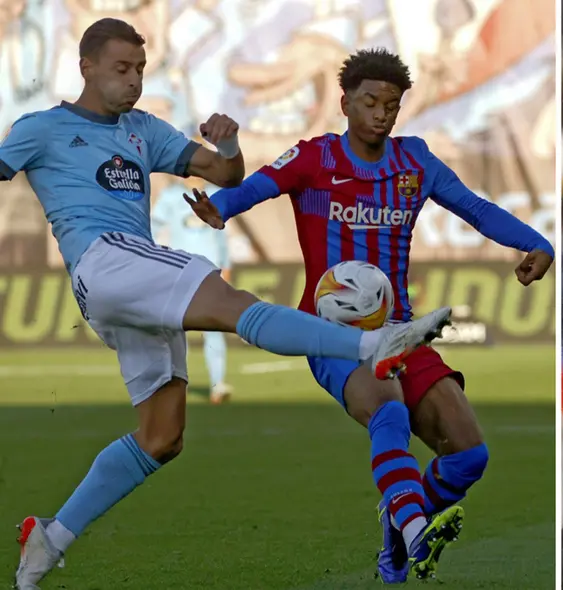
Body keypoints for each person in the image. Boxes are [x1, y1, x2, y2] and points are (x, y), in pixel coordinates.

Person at [2, 19, 452, 590]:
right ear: (86, 66)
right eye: (121, 69)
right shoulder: (41, 129)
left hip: (123, 282)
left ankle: (51, 539)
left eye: (140, 69)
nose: (134, 81)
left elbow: (224, 172)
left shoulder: (144, 129)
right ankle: (373, 341)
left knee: (163, 437)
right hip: (105, 258)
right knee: (233, 303)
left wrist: (229, 143)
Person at [185, 48, 555, 582]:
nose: (381, 113)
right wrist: (223, 208)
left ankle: (398, 524)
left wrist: (536, 242)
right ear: (345, 103)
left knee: (469, 457)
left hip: (402, 333)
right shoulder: (315, 159)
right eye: (370, 102)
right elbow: (261, 184)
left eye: (392, 104)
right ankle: (412, 531)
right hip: (329, 333)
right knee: (389, 412)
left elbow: (475, 208)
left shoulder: (415, 163)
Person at [150, 175, 234, 404]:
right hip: (180, 270)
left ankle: (218, 385)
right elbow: (153, 227)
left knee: (214, 329)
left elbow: (222, 232)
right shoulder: (170, 196)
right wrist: (154, 257)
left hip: (210, 270)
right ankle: (173, 384)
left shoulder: (215, 193)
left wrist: (226, 263)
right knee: (175, 330)